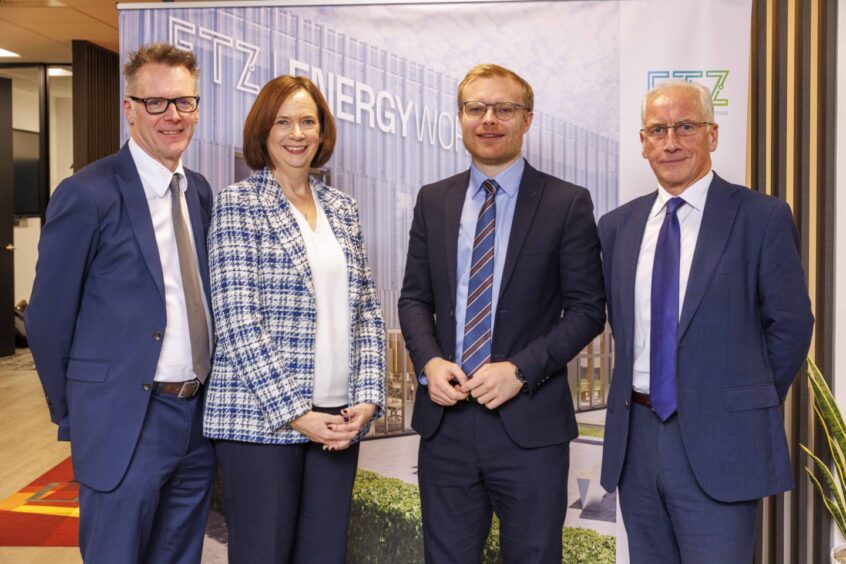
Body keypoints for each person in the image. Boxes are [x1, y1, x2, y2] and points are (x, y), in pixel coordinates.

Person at [598, 80, 814, 563]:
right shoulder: (617, 227)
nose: (671, 142)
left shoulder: (761, 217)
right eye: (658, 130)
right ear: (643, 142)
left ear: (712, 135)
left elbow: (791, 325)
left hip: (723, 440)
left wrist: (742, 399)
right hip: (637, 442)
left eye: (685, 126)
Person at [398, 64, 606, 564]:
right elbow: (413, 299)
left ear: (527, 119)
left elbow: (586, 310)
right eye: (476, 108)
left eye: (504, 109)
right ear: (461, 117)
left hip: (529, 425)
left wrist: (520, 370)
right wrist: (428, 363)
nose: (489, 119)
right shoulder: (433, 200)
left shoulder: (566, 202)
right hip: (446, 424)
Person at [25, 43, 215, 563]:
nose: (172, 116)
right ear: (128, 109)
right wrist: (77, 415)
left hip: (195, 420)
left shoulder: (198, 191)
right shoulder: (87, 193)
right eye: (156, 102)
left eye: (184, 102)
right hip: (124, 421)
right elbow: (46, 319)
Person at [203, 75, 386, 564]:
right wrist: (296, 414)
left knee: (324, 555)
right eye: (283, 121)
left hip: (338, 420)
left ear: (323, 133)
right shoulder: (238, 204)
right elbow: (238, 320)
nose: (297, 133)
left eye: (308, 121)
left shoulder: (342, 209)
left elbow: (366, 310)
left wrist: (368, 398)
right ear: (263, 131)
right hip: (262, 423)